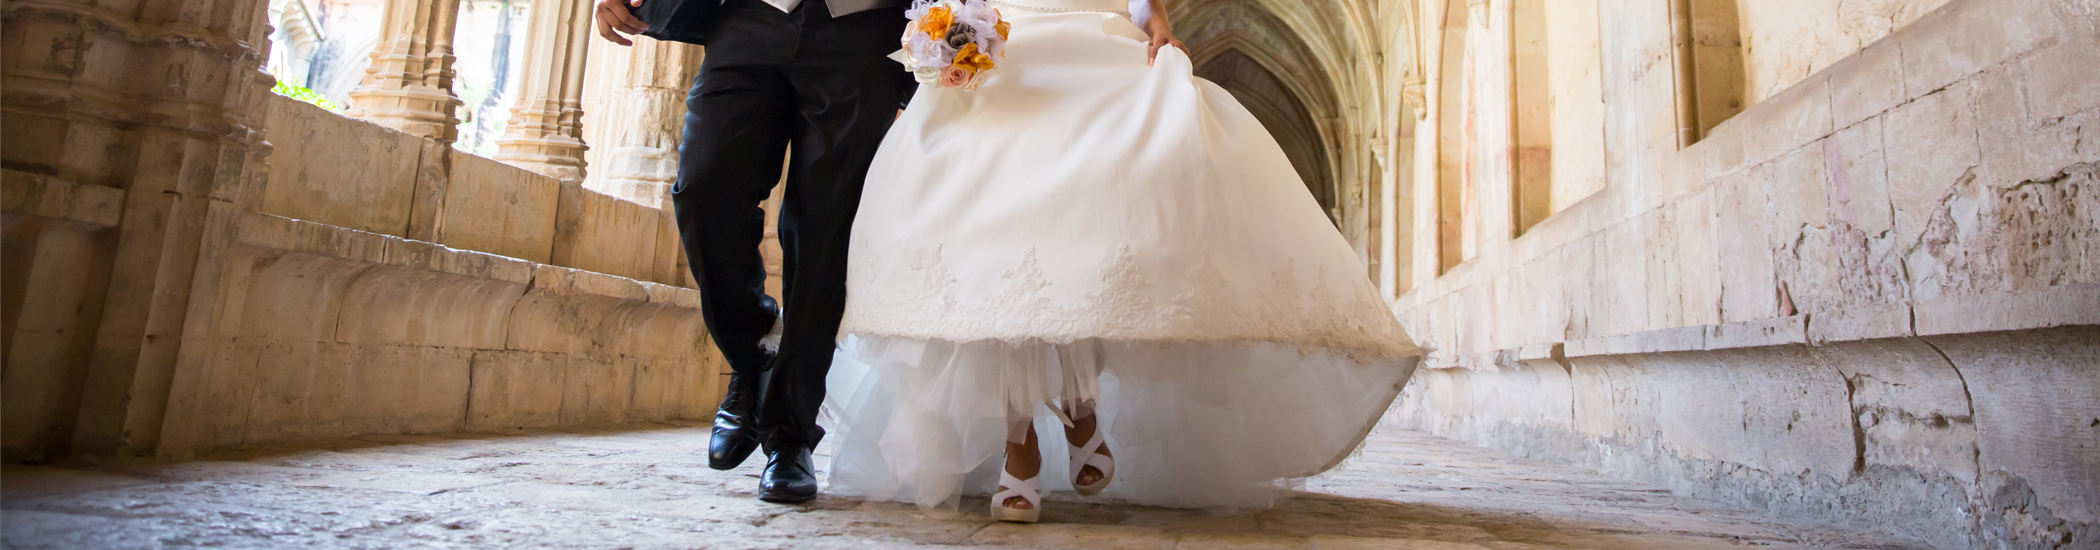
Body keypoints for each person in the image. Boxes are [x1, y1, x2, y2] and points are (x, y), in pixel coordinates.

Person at [821, 0, 1423, 522]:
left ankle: (1079, 408)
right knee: (997, 230)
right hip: (1006, 58)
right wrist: (946, 29)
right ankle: (1021, 441)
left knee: (1089, 224)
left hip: (1098, 56)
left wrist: (1158, 25)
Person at [594, 0, 914, 503]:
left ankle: (791, 435)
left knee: (825, 231)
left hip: (862, 30)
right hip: (750, 16)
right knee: (704, 188)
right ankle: (752, 358)